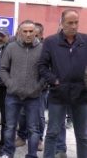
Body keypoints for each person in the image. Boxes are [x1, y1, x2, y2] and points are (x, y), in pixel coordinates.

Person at [38, 10, 87, 158]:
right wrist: (54, 81)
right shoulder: (51, 42)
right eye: (70, 23)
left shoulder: (85, 41)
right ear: (62, 23)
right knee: (52, 133)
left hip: (81, 94)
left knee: (83, 136)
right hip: (58, 93)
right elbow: (42, 66)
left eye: (76, 22)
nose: (73, 26)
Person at [0, 20, 43, 158]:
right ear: (19, 32)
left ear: (36, 32)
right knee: (10, 127)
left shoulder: (42, 49)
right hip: (13, 95)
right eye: (25, 31)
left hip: (34, 96)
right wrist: (10, 84)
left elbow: (47, 70)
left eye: (31, 31)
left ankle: (32, 155)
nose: (28, 34)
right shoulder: (11, 47)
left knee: (33, 129)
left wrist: (38, 87)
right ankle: (7, 153)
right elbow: (3, 69)